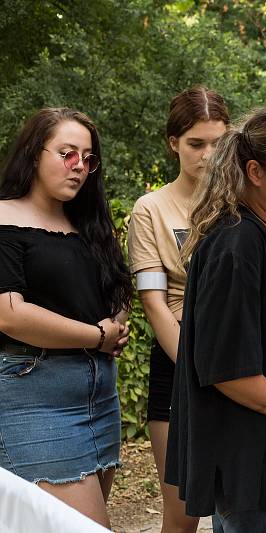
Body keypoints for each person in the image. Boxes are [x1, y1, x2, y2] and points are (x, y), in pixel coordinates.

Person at [164, 102, 266, 533]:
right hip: (249, 447)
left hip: (262, 439)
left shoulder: (260, 231)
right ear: (255, 172)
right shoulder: (236, 244)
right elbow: (225, 370)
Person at [0, 108, 133, 527]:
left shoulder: (90, 224)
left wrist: (114, 323)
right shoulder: (4, 218)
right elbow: (10, 315)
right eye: (67, 153)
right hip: (33, 393)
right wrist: (97, 335)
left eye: (88, 159)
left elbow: (117, 288)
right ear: (33, 153)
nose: (80, 167)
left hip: (99, 394)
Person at [127, 86, 229, 533]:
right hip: (178, 366)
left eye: (217, 143)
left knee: (242, 504)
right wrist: (195, 366)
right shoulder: (151, 208)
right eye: (195, 144)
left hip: (241, 363)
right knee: (184, 515)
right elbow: (154, 302)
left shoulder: (240, 203)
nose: (207, 156)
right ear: (173, 143)